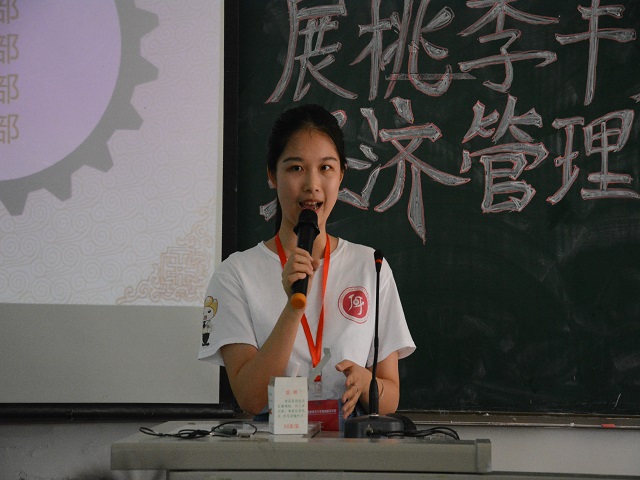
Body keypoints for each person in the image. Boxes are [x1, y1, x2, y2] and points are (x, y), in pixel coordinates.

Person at [199, 104, 415, 419]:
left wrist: (366, 383)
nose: (312, 184)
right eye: (296, 168)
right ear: (272, 175)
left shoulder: (371, 265)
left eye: (326, 167)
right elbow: (250, 399)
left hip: (352, 445)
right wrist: (293, 308)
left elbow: (390, 396)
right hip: (271, 445)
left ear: (341, 175)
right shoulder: (236, 274)